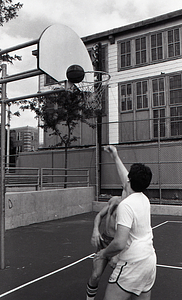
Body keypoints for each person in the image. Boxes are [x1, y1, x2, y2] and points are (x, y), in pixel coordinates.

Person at [94, 145, 156, 300]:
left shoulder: (125, 205)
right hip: (149, 261)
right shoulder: (144, 199)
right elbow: (127, 182)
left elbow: (119, 243)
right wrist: (115, 155)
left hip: (132, 263)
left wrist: (104, 253)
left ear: (130, 180)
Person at [86, 195, 122, 300]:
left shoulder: (128, 206)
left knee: (120, 280)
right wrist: (95, 230)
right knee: (95, 275)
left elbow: (130, 234)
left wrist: (118, 254)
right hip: (104, 241)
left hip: (116, 245)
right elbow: (100, 215)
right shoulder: (114, 200)